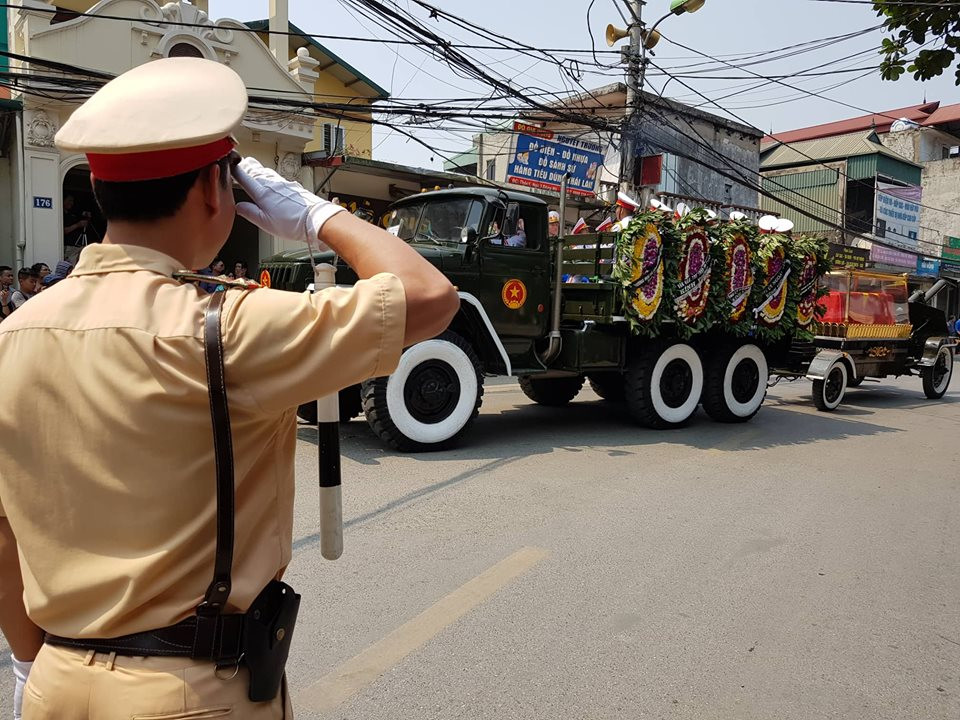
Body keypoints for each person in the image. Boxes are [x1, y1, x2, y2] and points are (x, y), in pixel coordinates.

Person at [0, 56, 458, 719]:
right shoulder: (230, 326)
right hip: (190, 696)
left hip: (56, 684)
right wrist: (315, 214)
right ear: (216, 192)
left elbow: (6, 535)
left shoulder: (17, 332)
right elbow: (430, 297)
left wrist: (26, 661)